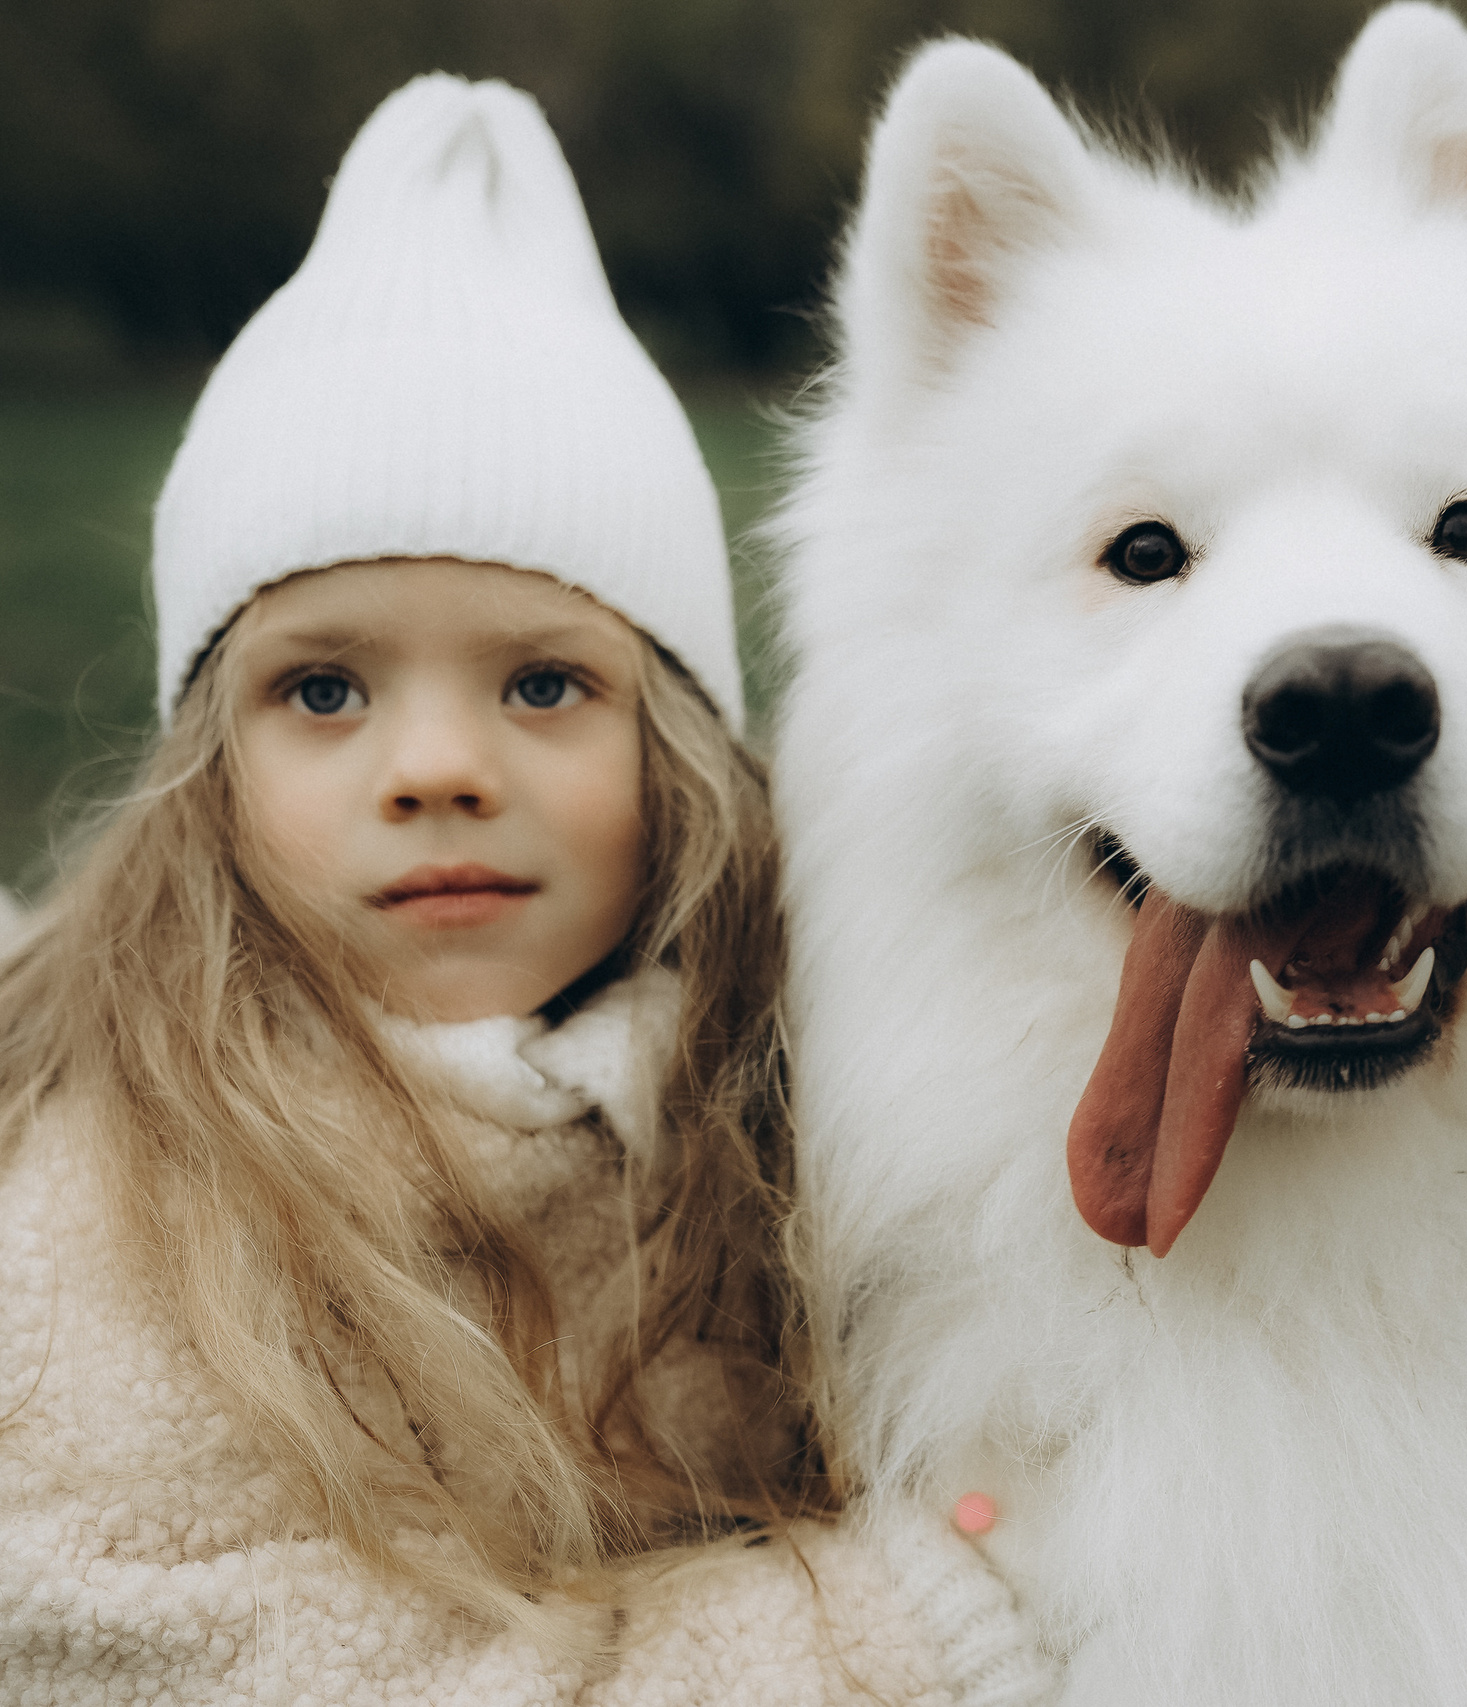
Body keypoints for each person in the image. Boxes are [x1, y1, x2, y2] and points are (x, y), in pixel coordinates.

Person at [0, 76, 1049, 1704]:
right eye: (325, 691)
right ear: (207, 773)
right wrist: (897, 1618)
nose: (437, 767)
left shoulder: (772, 1096)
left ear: (677, 750)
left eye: (544, 686)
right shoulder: (122, 1206)